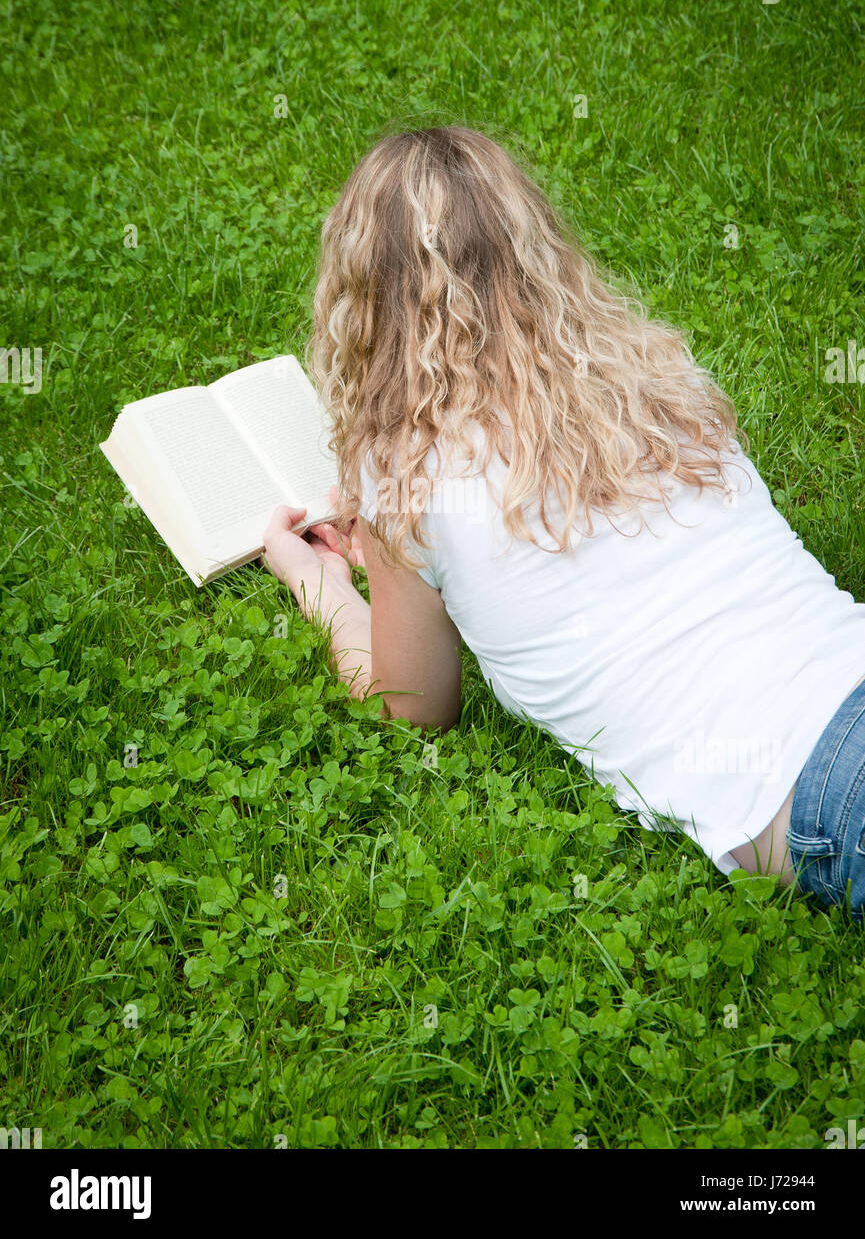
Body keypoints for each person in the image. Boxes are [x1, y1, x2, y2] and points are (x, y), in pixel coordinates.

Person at [261, 124, 865, 919]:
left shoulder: (404, 479)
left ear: (364, 297)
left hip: (822, 779)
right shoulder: (651, 373)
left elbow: (408, 705)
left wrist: (318, 577)